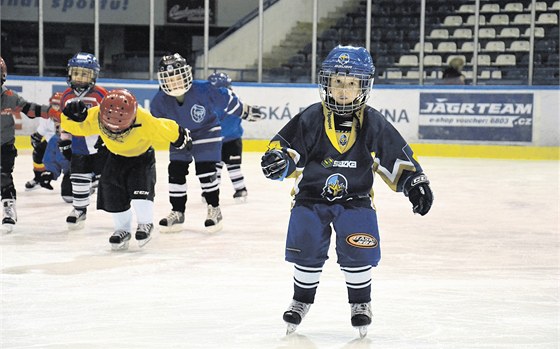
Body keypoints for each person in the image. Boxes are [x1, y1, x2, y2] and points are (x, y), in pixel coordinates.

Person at [260, 45, 434, 338]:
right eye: (337, 82)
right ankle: (301, 300)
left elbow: (394, 155)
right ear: (326, 82)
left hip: (356, 199)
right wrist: (278, 160)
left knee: (359, 246)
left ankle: (360, 302)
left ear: (363, 86)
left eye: (351, 83)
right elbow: (288, 149)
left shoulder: (373, 122)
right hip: (310, 197)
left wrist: (415, 182)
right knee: (305, 242)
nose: (343, 90)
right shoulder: (311, 118)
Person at [60, 89, 192, 250]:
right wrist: (69, 116)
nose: (115, 132)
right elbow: (79, 127)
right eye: (110, 128)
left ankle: (145, 223)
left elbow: (165, 127)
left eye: (120, 128)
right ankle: (122, 229)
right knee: (114, 196)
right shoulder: (96, 115)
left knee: (140, 194)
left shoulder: (145, 121)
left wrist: (180, 136)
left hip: (141, 159)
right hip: (115, 158)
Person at [151, 53, 263, 233]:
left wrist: (246, 111)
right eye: (170, 79)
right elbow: (157, 125)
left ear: (186, 74)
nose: (175, 83)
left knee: (206, 171)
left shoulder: (203, 89)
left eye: (178, 77)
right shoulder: (159, 101)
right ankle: (177, 211)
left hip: (207, 132)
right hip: (180, 135)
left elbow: (226, 99)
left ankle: (214, 209)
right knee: (176, 172)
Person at [0, 56, 59, 232]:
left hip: (4, 146)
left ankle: (9, 210)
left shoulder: (10, 97)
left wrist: (52, 112)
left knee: (3, 176)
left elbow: (31, 109)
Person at [59, 52, 108, 230]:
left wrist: (107, 140)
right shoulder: (66, 96)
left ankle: (120, 207)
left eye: (84, 74)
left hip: (100, 146)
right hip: (79, 146)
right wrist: (65, 141)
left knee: (109, 179)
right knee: (78, 177)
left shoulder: (101, 95)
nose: (79, 78)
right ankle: (79, 209)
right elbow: (64, 122)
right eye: (76, 73)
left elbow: (109, 119)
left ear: (93, 75)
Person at [207, 72, 264, 203]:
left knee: (233, 168)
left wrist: (252, 113)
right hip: (216, 142)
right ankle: (212, 191)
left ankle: (240, 189)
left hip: (232, 141)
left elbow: (250, 113)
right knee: (215, 168)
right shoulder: (209, 104)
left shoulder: (234, 102)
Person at [37, 92, 72, 203]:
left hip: (81, 171)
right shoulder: (54, 140)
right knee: (68, 196)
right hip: (70, 172)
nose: (58, 125)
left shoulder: (80, 138)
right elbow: (51, 159)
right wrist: (50, 173)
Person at [24, 103, 58, 191]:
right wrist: (36, 137)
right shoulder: (46, 115)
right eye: (54, 104)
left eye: (58, 104)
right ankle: (38, 178)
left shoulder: (69, 113)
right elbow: (42, 130)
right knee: (38, 152)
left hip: (69, 141)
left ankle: (82, 179)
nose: (56, 108)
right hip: (51, 140)